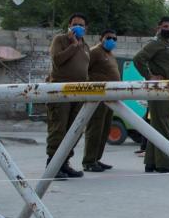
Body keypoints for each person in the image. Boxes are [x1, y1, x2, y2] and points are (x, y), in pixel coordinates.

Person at [133, 17, 169, 173]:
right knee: (163, 125)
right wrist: (149, 76)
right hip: (161, 90)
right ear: (158, 27)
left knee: (158, 126)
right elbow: (138, 59)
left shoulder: (167, 43)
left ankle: (151, 162)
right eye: (165, 26)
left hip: (168, 90)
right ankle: (165, 164)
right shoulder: (155, 43)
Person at [45, 13, 90, 179]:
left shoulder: (86, 46)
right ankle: (53, 165)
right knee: (59, 128)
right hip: (61, 90)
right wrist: (73, 45)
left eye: (81, 25)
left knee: (74, 130)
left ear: (86, 28)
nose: (78, 27)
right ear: (69, 26)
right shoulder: (60, 40)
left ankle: (64, 163)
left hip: (79, 92)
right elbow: (57, 61)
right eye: (75, 24)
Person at [82, 29, 120, 173]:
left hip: (109, 98)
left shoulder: (110, 54)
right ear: (101, 38)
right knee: (95, 129)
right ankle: (89, 161)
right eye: (109, 38)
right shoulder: (95, 52)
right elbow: (84, 70)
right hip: (97, 96)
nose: (112, 41)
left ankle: (96, 158)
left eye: (114, 39)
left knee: (104, 129)